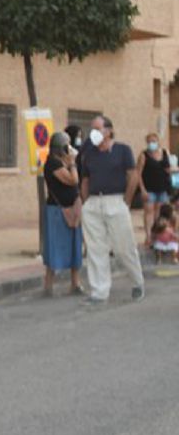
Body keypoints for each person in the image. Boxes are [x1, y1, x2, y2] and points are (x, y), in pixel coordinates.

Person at [80, 122, 145, 302]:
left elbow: (132, 175)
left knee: (124, 247)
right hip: (94, 202)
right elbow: (85, 179)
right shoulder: (89, 153)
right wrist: (86, 203)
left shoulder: (122, 150)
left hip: (115, 201)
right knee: (96, 249)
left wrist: (127, 201)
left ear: (108, 131)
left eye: (97, 128)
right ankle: (99, 292)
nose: (93, 132)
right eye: (92, 128)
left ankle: (137, 282)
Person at [41, 132, 84, 295]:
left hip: (72, 208)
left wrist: (72, 162)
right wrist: (72, 163)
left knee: (74, 246)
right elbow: (73, 180)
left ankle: (75, 283)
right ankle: (48, 285)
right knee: (54, 248)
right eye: (67, 147)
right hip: (57, 211)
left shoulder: (64, 162)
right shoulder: (52, 164)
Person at [135, 132, 175, 247]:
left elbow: (168, 168)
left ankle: (157, 235)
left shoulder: (164, 152)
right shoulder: (143, 155)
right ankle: (148, 236)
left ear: (158, 141)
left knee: (159, 213)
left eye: (153, 141)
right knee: (148, 212)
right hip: (149, 188)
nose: (151, 144)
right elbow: (138, 173)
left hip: (162, 188)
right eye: (149, 141)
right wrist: (142, 189)